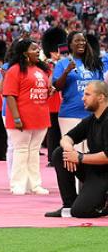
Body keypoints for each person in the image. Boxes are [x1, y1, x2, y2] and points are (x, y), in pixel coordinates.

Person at [45, 81, 108, 218]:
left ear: (101, 97)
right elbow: (67, 137)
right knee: (59, 154)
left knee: (81, 211)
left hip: (105, 173)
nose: (82, 98)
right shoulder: (91, 119)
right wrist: (69, 150)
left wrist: (79, 157)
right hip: (95, 169)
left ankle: (103, 203)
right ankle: (68, 204)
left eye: (87, 94)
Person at [3, 37, 52, 196]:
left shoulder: (41, 70)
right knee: (21, 151)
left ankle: (35, 184)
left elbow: (44, 90)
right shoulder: (14, 70)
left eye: (38, 48)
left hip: (41, 116)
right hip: (22, 118)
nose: (38, 51)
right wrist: (16, 118)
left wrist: (49, 91)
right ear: (24, 53)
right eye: (33, 49)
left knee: (34, 151)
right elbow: (9, 95)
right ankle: (18, 184)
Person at [53, 31, 104, 150]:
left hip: (92, 114)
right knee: (72, 152)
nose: (81, 43)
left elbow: (101, 87)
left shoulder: (94, 62)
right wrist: (66, 71)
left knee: (90, 151)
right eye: (77, 41)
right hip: (70, 114)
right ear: (70, 44)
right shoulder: (63, 63)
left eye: (83, 40)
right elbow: (57, 87)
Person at [42, 26, 67, 167]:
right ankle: (52, 158)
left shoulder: (65, 63)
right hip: (52, 102)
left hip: (63, 102)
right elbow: (47, 82)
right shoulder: (47, 65)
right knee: (53, 133)